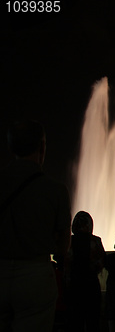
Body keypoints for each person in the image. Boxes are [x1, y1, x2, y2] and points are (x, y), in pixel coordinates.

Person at [0, 120, 71, 332]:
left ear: (11, 147)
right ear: (42, 146)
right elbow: (62, 246)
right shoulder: (55, 191)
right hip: (35, 276)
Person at [66, 211, 106, 332]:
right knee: (92, 319)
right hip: (91, 283)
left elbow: (66, 261)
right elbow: (101, 261)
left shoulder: (69, 242)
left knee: (75, 319)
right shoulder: (95, 241)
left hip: (74, 283)